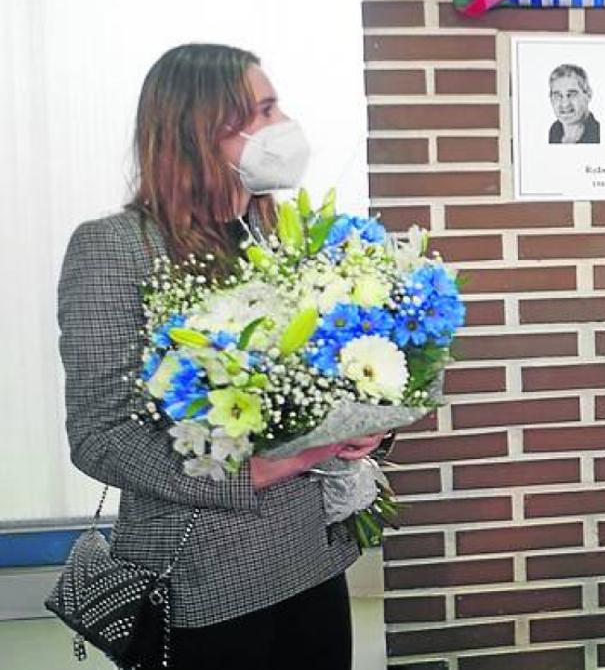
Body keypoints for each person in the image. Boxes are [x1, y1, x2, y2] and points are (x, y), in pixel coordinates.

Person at [58, 43, 385, 669]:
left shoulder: (282, 233)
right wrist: (255, 471)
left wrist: (360, 428)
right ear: (202, 130)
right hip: (204, 578)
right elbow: (100, 435)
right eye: (263, 110)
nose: (282, 123)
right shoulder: (115, 247)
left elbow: (328, 373)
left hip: (311, 558)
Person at [547, 63, 601, 144]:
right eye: (558, 95)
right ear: (551, 98)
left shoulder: (598, 135)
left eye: (572, 94)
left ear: (588, 95)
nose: (565, 104)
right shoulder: (554, 132)